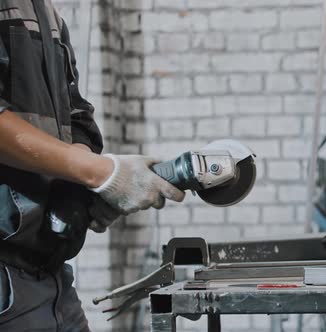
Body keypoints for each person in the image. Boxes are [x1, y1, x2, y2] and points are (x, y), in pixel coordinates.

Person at [0, 1, 185, 330]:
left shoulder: (44, 12)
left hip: (50, 274)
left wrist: (80, 190)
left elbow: (77, 116)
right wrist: (101, 173)